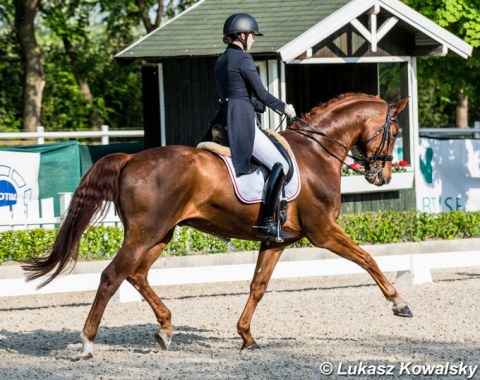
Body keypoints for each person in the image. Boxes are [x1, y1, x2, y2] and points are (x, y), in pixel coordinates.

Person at [210, 13, 296, 242]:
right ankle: (267, 223)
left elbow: (242, 95)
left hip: (223, 119)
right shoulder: (244, 59)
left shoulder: (221, 60)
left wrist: (258, 106)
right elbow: (261, 93)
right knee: (281, 165)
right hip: (241, 122)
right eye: (252, 36)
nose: (254, 40)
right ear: (241, 35)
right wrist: (283, 107)